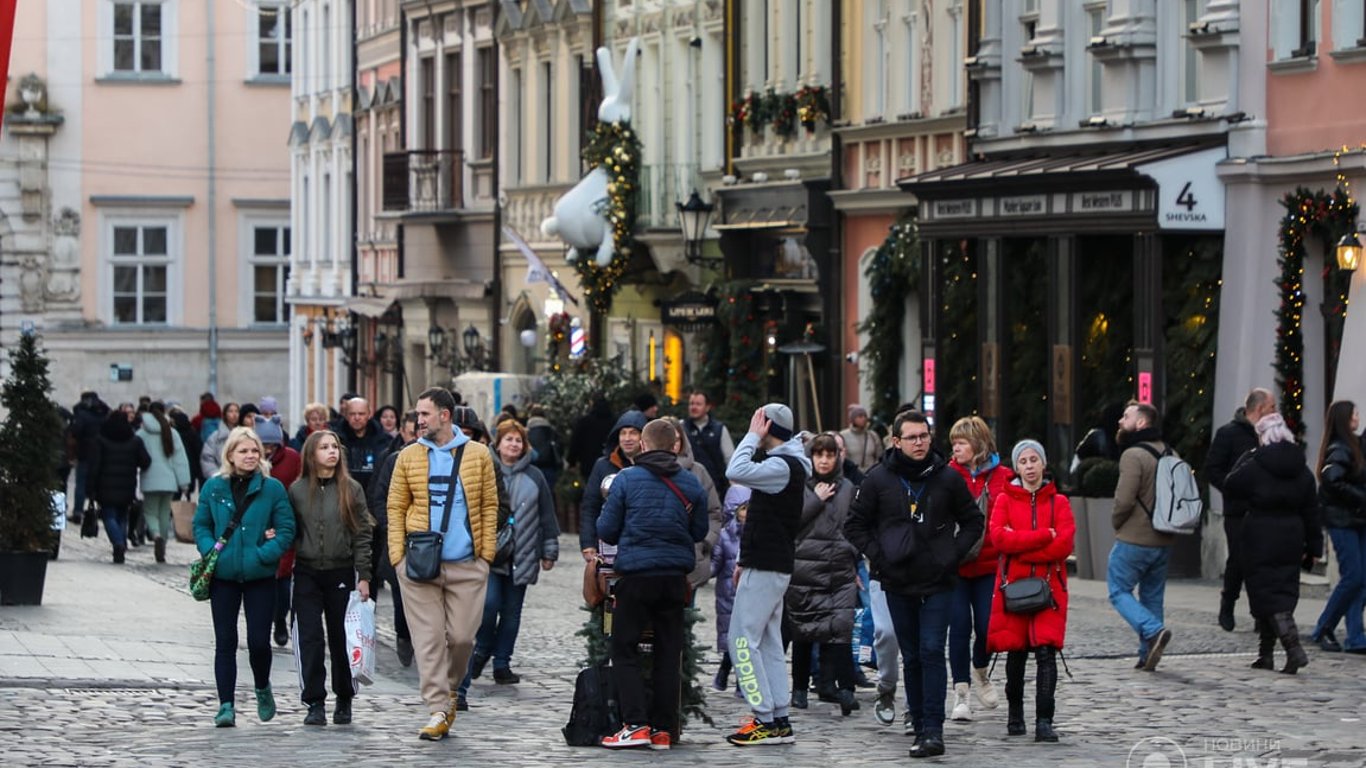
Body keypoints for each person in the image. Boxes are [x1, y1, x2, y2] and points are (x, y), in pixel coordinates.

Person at [843, 410, 983, 759]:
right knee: (913, 655)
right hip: (898, 580)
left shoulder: (948, 478)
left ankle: (934, 730)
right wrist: (879, 556)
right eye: (912, 437)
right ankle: (919, 723)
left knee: (933, 649)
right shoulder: (878, 480)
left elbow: (973, 521)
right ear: (896, 441)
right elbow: (854, 525)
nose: (920, 443)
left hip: (939, 580)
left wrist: (952, 554)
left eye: (924, 436)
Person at [387, 387, 500, 741]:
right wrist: (398, 558)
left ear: (445, 415)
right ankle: (437, 708)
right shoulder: (407, 456)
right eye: (417, 414)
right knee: (429, 640)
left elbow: (490, 505)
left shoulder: (479, 454)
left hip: (467, 562)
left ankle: (450, 692)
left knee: (463, 638)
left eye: (424, 414)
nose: (418, 420)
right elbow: (395, 507)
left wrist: (486, 556)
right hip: (419, 564)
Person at [596, 419, 710, 749]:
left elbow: (606, 529)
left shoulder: (627, 479)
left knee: (624, 647)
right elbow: (699, 531)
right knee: (668, 653)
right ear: (675, 446)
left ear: (643, 446)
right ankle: (663, 729)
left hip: (637, 576)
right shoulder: (691, 483)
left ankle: (635, 724)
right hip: (675, 579)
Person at [193, 426, 296, 728]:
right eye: (244, 451)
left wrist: (264, 554)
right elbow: (201, 525)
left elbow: (286, 529)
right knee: (225, 641)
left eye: (254, 451)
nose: (250, 456)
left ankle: (262, 686)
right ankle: (226, 705)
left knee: (258, 642)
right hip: (223, 576)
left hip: (260, 576)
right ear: (230, 455)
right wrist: (211, 551)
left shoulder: (272, 487)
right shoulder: (214, 487)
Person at [722, 403, 811, 747]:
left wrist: (750, 436)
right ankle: (778, 719)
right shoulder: (786, 463)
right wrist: (746, 557)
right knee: (769, 641)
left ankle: (763, 717)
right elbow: (764, 518)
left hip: (768, 564)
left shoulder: (781, 465)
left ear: (767, 425)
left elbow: (736, 469)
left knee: (741, 640)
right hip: (769, 561)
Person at [458, 419, 559, 704]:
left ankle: (502, 663)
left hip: (523, 553)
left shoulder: (536, 476)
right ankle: (482, 651)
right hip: (489, 553)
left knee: (512, 612)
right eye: (508, 440)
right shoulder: (485, 469)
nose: (513, 445)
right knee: (488, 606)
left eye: (518, 441)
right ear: (498, 443)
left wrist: (549, 551)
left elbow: (547, 516)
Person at [987, 439, 1075, 742]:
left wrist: (1021, 546)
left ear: (1043, 463)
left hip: (1050, 589)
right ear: (1017, 466)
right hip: (1014, 589)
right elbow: (999, 539)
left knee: (1046, 652)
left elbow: (1063, 545)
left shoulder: (1059, 503)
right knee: (1016, 653)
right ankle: (1015, 715)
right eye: (1023, 461)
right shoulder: (1004, 500)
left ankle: (1044, 721)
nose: (1029, 466)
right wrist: (1041, 537)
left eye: (1033, 460)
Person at [1224, 413, 1321, 673]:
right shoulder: (1302, 470)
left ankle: (1293, 648)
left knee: (1265, 593)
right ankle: (1265, 655)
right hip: (1292, 535)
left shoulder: (1257, 464)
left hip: (1260, 534)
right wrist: (1314, 548)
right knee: (1281, 591)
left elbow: (1230, 484)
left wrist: (1248, 458)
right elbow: (1312, 510)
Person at [289, 430, 374, 725]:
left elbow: (363, 533)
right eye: (324, 447)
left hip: (341, 570)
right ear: (312, 455)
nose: (331, 452)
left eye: (335, 446)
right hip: (306, 572)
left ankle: (344, 697)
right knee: (310, 637)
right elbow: (290, 529)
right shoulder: (298, 490)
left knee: (342, 637)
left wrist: (364, 576)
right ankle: (314, 701)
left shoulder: (351, 489)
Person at [786, 433, 860, 715]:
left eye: (830, 455)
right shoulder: (801, 487)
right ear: (811, 458)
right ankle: (800, 688)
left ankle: (846, 689)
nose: (825, 460)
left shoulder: (848, 488)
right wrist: (815, 500)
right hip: (805, 569)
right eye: (820, 455)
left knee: (841, 629)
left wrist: (850, 552)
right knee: (804, 631)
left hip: (839, 570)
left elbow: (856, 525)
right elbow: (791, 523)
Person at [945, 416, 1010, 721]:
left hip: (989, 565)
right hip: (955, 566)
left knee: (987, 628)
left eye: (961, 442)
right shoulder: (946, 474)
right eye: (953, 443)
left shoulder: (1004, 477)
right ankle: (961, 692)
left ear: (978, 443)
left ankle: (981, 670)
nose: (955, 448)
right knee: (958, 627)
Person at [1108, 402, 1176, 671]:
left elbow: (1124, 500)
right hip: (1165, 539)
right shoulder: (1170, 452)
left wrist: (1115, 522)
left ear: (1141, 423)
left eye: (1126, 416)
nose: (1120, 421)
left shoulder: (1133, 455)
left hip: (1135, 538)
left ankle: (1151, 630)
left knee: (1117, 590)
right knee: (1152, 597)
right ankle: (1147, 653)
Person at [1204, 388, 1276, 632]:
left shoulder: (1271, 435)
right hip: (1238, 510)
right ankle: (1228, 602)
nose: (1275, 412)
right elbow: (1212, 469)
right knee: (1240, 559)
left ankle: (1262, 614)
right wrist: (1232, 487)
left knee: (1263, 561)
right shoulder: (1229, 434)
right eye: (1271, 408)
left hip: (1265, 509)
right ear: (1257, 409)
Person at [1309, 401, 1366, 654]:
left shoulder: (1354, 444)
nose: (1357, 417)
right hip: (1342, 520)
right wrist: (1361, 498)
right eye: (1354, 414)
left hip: (1356, 519)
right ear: (1345, 419)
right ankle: (1324, 626)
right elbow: (1332, 481)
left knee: (1360, 578)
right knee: (1354, 576)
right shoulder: (1340, 447)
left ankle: (1355, 637)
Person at [369, 410, 420, 667]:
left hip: (432, 542)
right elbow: (379, 499)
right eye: (415, 431)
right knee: (402, 596)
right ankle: (404, 634)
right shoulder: (394, 460)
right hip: (401, 540)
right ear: (404, 433)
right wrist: (392, 528)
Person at [578, 410, 648, 562]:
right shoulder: (603, 466)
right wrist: (588, 543)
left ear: (644, 436)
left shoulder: (653, 467)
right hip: (607, 547)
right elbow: (590, 506)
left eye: (633, 433)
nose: (627, 438)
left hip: (644, 547)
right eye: (623, 433)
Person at [663, 417, 724, 595]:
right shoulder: (643, 472)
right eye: (667, 438)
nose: (672, 444)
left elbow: (714, 512)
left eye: (676, 439)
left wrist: (705, 542)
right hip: (654, 561)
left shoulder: (698, 472)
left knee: (685, 618)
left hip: (691, 562)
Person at [257, 418, 303, 647]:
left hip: (285, 524)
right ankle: (263, 623)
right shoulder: (252, 458)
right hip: (259, 526)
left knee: (283, 578)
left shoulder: (293, 458)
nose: (268, 449)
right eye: (264, 444)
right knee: (262, 579)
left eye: (272, 445)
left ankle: (280, 620)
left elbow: (300, 486)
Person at [88, 411, 152, 563]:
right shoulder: (134, 441)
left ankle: (118, 543)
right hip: (127, 485)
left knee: (109, 516)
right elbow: (145, 461)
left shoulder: (101, 440)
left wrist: (90, 488)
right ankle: (121, 545)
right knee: (122, 516)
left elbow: (94, 467)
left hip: (105, 486)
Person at [136, 402, 191, 563]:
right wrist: (184, 483)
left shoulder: (141, 433)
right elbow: (180, 459)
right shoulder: (171, 432)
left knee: (150, 511)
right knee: (165, 514)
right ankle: (163, 545)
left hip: (149, 478)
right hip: (169, 480)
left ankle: (155, 535)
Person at [713, 486, 749, 693]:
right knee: (732, 639)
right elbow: (715, 564)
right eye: (743, 509)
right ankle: (727, 673)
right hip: (728, 596)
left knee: (744, 639)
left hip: (749, 595)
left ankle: (739, 681)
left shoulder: (756, 534)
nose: (746, 514)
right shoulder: (725, 537)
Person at [685, 390, 735, 496]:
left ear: (707, 407)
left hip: (715, 488)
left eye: (698, 404)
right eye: (691, 403)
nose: (693, 407)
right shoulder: (682, 428)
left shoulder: (719, 429)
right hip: (688, 486)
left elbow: (730, 459)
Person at [71, 391, 111, 521]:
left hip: (85, 452)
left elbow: (76, 431)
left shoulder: (82, 414)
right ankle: (101, 510)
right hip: (101, 453)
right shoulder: (105, 412)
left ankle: (78, 511)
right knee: (100, 483)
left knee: (81, 483)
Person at [568, 395, 616, 476]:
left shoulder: (584, 422)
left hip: (588, 463)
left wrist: (572, 462)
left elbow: (575, 442)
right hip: (611, 462)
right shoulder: (614, 421)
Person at [526, 405, 564, 492]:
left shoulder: (527, 432)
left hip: (532, 466)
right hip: (550, 466)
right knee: (548, 492)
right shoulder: (552, 431)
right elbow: (560, 448)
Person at [840, 404, 882, 475]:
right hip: (851, 475)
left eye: (865, 416)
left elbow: (880, 456)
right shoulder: (843, 436)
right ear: (853, 419)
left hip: (871, 474)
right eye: (860, 416)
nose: (863, 419)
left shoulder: (873, 435)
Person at [201, 403, 240, 479]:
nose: (234, 414)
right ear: (225, 414)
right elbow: (207, 457)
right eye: (230, 411)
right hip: (222, 477)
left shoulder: (245, 435)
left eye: (236, 411)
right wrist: (216, 475)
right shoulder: (215, 437)